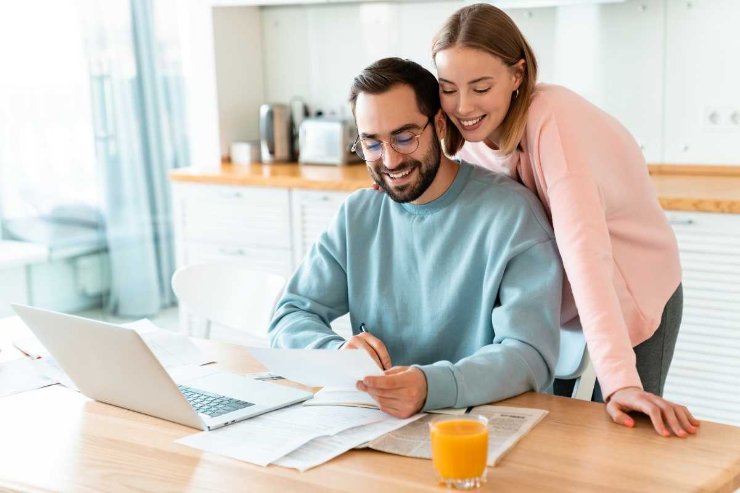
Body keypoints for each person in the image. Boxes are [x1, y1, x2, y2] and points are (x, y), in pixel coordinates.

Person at [431, 3, 699, 437]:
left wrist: (620, 381)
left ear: (517, 75)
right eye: (448, 88)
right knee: (555, 440)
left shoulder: (554, 123)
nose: (464, 106)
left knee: (623, 437)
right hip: (555, 303)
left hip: (629, 288)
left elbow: (584, 251)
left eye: (481, 87)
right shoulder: (469, 143)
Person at [268, 57, 563, 419]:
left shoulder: (512, 215)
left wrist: (431, 386)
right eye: (372, 144)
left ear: (439, 123)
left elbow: (530, 355)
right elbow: (290, 315)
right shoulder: (358, 214)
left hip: (479, 423)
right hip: (378, 422)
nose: (390, 160)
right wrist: (336, 353)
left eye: (405, 137)